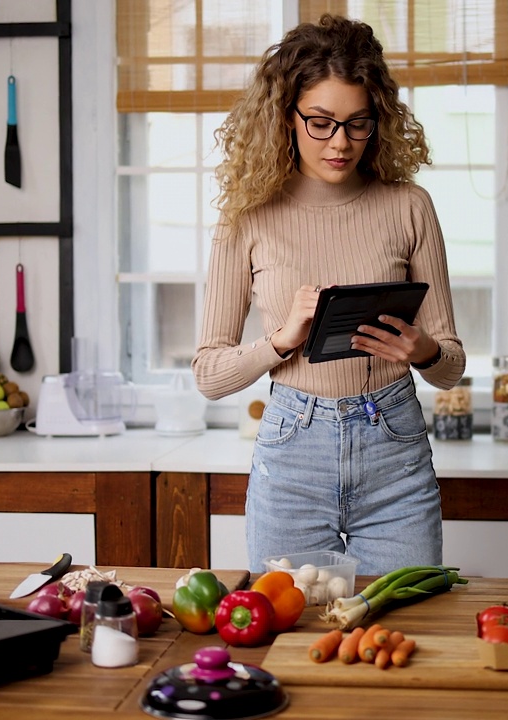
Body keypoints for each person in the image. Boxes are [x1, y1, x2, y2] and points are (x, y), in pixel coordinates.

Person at [192, 14, 465, 577]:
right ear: (285, 117)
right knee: (289, 641)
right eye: (320, 122)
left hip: (395, 450)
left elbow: (451, 369)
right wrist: (281, 340)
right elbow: (209, 374)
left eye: (357, 124)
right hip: (293, 452)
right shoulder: (247, 217)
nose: (340, 143)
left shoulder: (410, 206)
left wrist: (422, 352)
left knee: (400, 637)